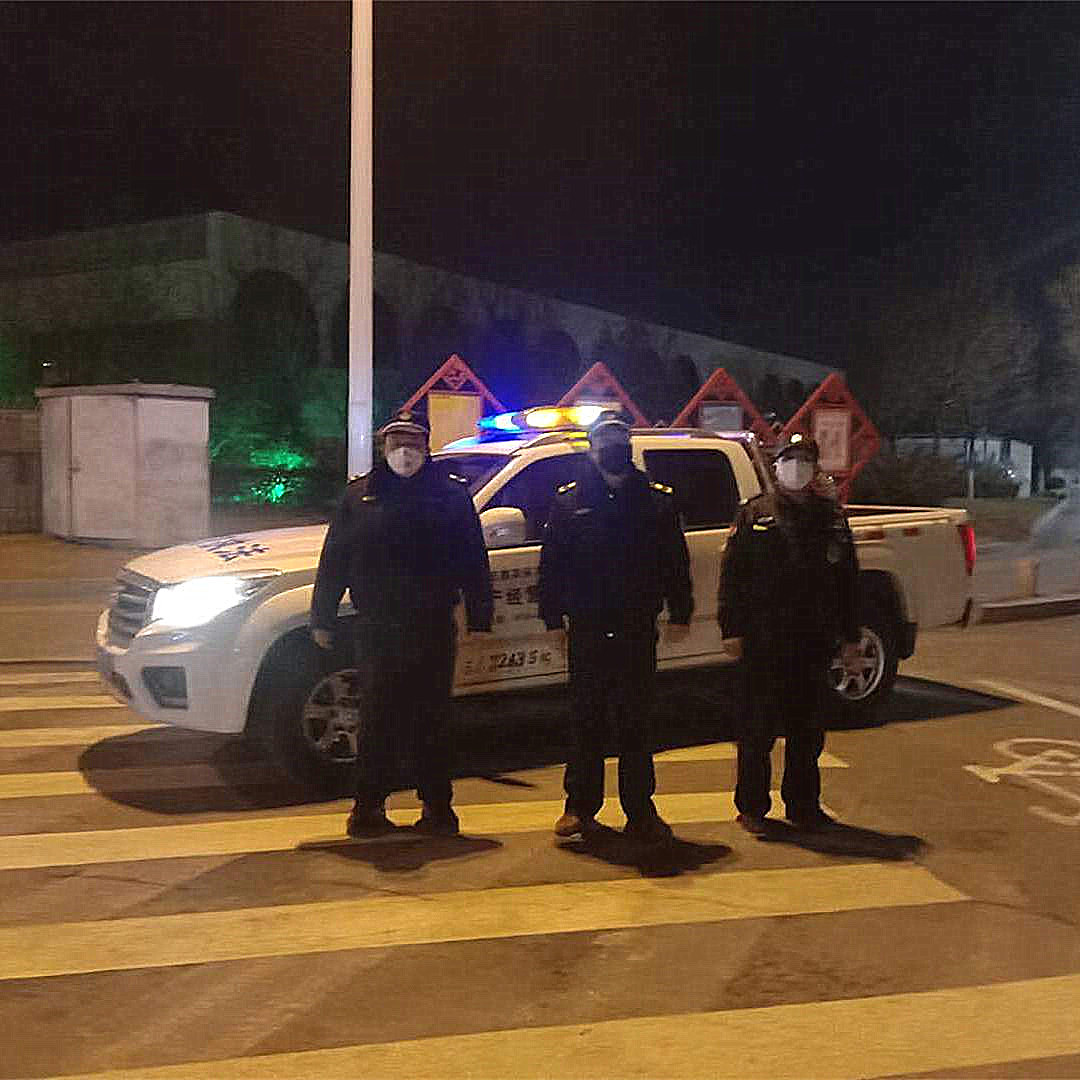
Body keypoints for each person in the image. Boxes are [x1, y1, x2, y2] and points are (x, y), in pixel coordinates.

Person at [310, 410, 494, 838]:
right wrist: (322, 616)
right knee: (377, 720)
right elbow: (334, 557)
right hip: (377, 628)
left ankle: (437, 808)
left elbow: (473, 557)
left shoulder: (450, 496)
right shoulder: (360, 496)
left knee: (432, 720)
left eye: (413, 441)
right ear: (384, 446)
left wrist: (480, 614)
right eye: (397, 442)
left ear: (426, 446)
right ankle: (368, 808)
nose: (405, 451)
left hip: (431, 626)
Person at [538, 410, 694, 846]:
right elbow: (553, 565)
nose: (612, 449)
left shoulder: (656, 501)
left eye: (618, 440)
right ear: (592, 449)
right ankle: (579, 807)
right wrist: (551, 618)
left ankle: (640, 811)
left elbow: (675, 561)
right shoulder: (569, 501)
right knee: (585, 719)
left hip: (635, 625)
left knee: (636, 722)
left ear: (629, 446)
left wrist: (681, 611)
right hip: (587, 626)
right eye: (604, 441)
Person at [717, 432, 861, 836]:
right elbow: (733, 577)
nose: (796, 468)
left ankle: (803, 805)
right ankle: (752, 807)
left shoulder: (831, 518)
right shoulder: (755, 514)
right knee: (756, 729)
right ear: (776, 467)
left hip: (813, 639)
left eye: (804, 461)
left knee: (807, 730)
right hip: (764, 640)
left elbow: (848, 580)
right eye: (789, 460)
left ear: (814, 469)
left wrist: (850, 637)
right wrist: (732, 629)